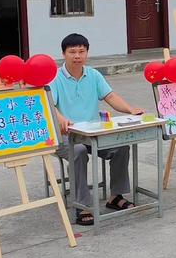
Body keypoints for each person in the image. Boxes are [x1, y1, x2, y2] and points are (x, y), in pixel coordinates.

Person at [50, 33, 144, 225]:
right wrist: (61, 119)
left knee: (121, 146)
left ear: (87, 53)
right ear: (63, 54)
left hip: (93, 133)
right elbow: (48, 105)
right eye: (72, 52)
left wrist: (130, 109)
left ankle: (115, 197)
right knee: (79, 151)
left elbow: (110, 96)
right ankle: (82, 205)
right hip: (66, 135)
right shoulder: (55, 78)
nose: (77, 56)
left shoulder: (93, 75)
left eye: (81, 51)